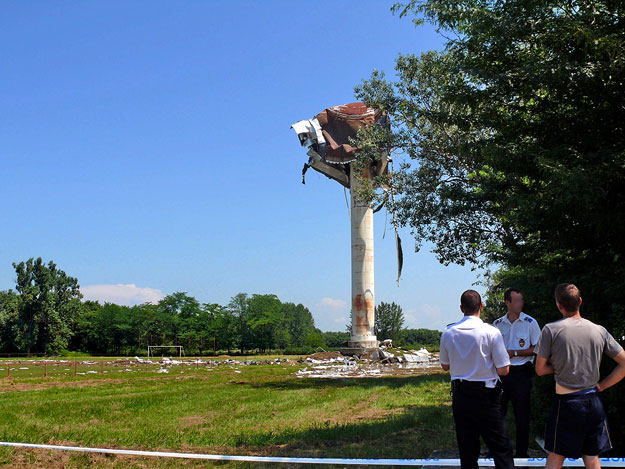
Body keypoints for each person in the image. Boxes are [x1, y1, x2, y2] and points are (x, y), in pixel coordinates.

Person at [535, 283, 625, 469]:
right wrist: (603, 385)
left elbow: (540, 369)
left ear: (559, 305)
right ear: (580, 302)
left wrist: (561, 365)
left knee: (555, 457)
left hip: (567, 404)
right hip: (593, 401)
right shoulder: (599, 330)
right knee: (592, 458)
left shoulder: (551, 330)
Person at [440, 289, 515, 469]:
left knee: (467, 451)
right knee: (501, 449)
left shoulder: (448, 332)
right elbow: (504, 370)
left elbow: (445, 365)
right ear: (481, 306)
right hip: (487, 396)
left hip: (461, 395)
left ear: (461, 308)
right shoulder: (491, 332)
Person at [493, 288, 541, 458]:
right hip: (502, 373)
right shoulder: (497, 324)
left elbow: (539, 348)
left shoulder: (530, 323)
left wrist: (514, 353)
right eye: (517, 300)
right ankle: (500, 451)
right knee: (497, 414)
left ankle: (521, 454)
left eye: (522, 300)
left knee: (522, 416)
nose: (521, 303)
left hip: (521, 372)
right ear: (508, 302)